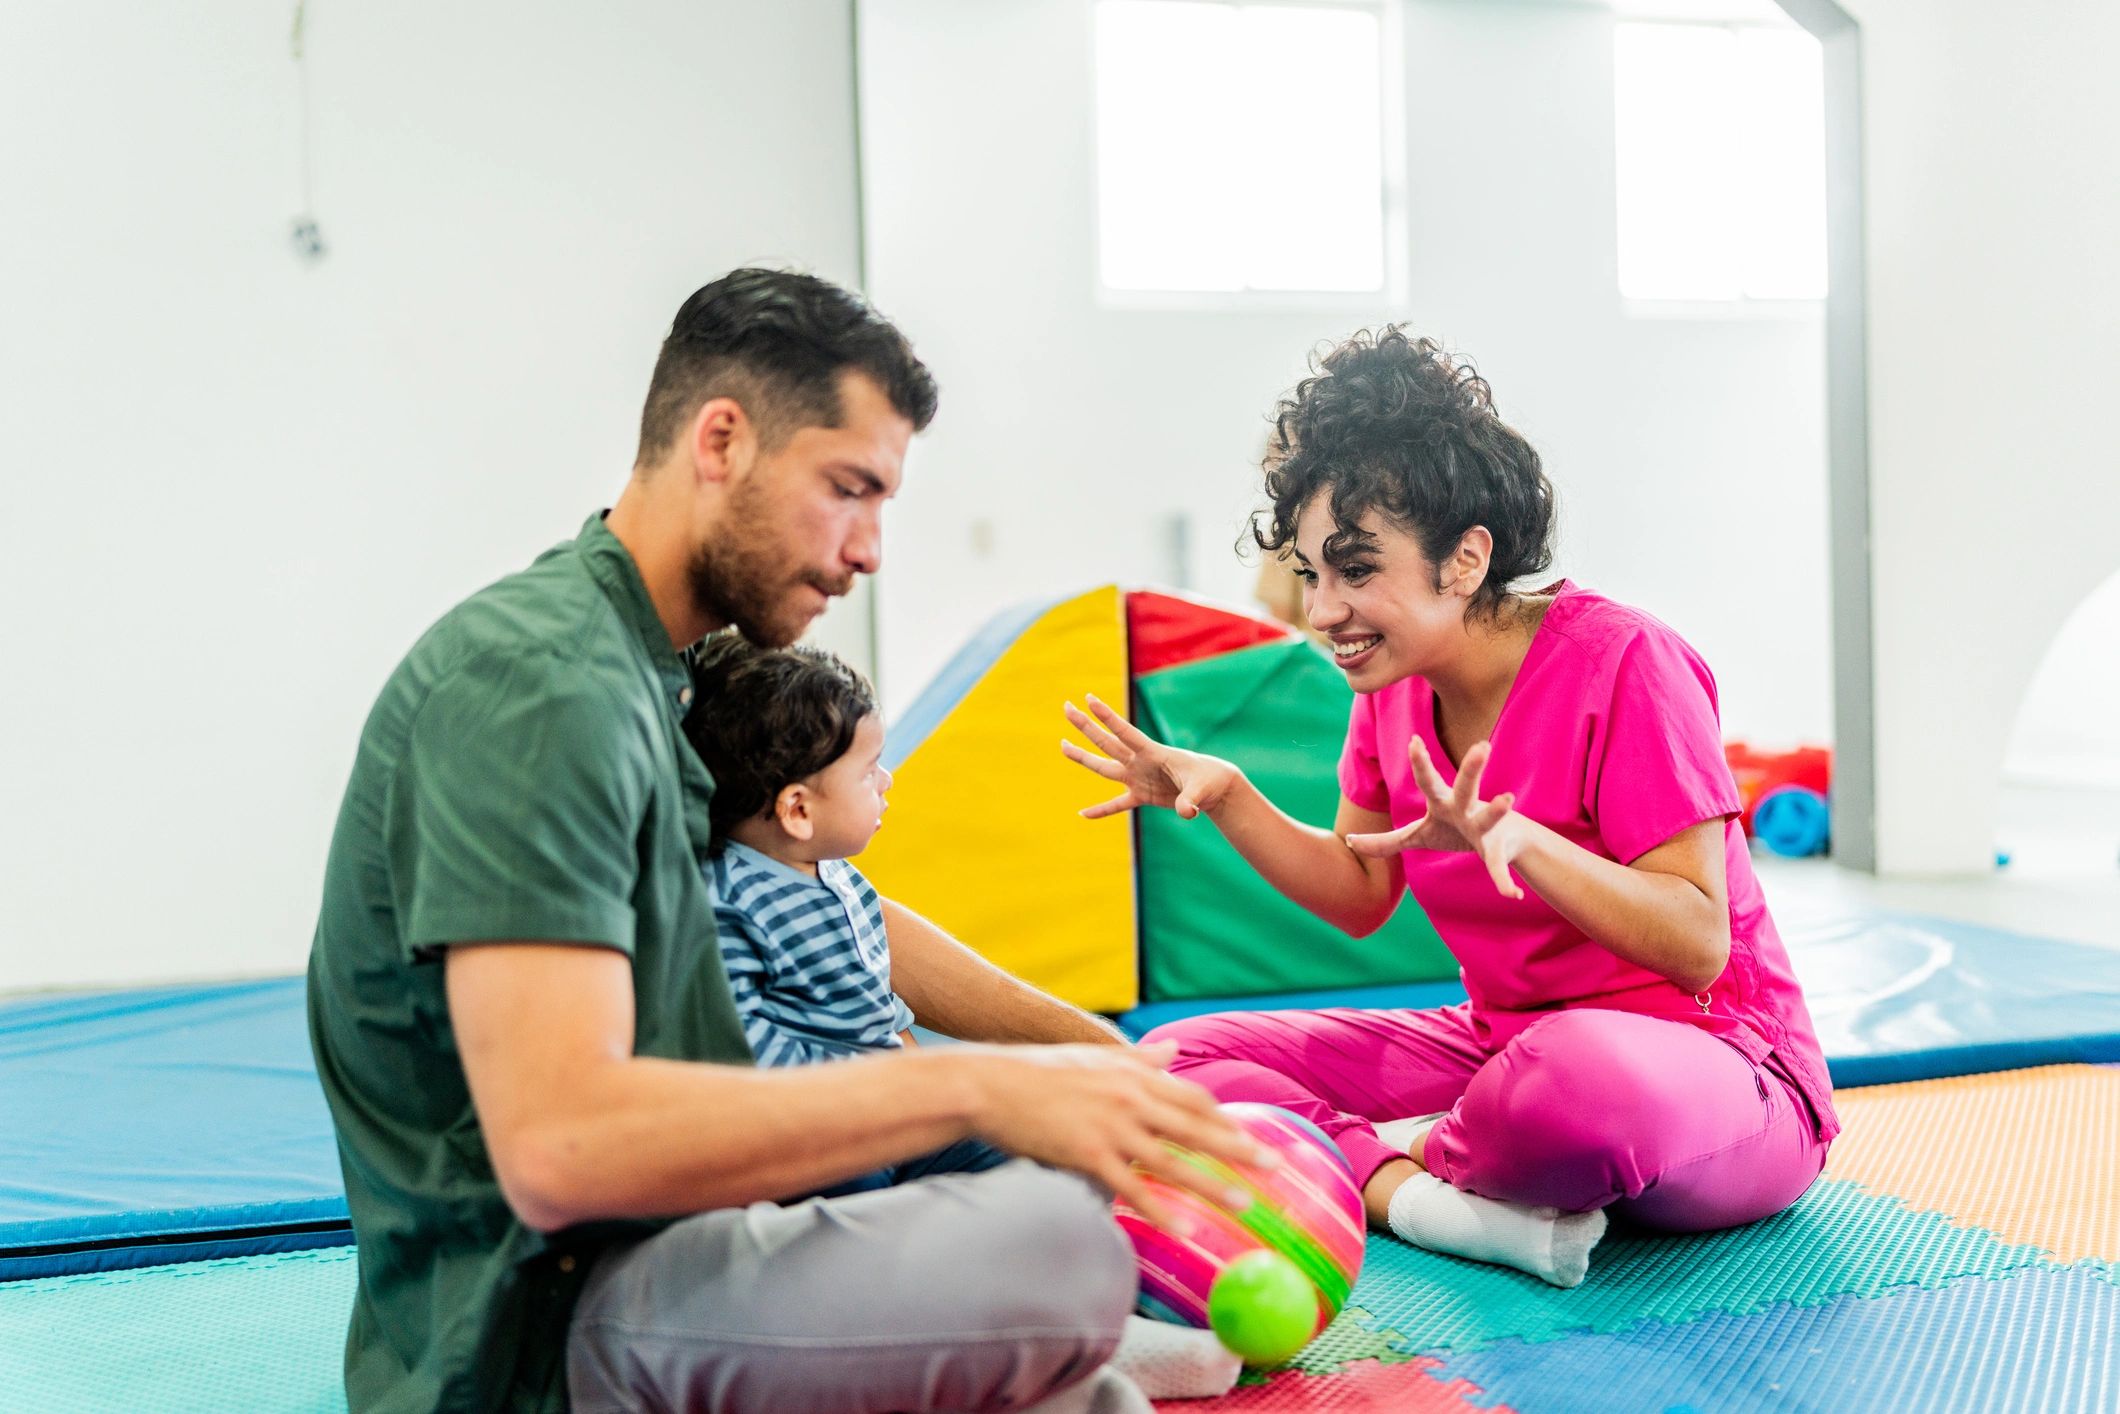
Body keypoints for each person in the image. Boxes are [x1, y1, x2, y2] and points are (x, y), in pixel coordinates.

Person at [308, 268, 1267, 1414]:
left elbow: (849, 906)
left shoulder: (662, 667)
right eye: (848, 488)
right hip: (545, 1328)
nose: (869, 550)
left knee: (1080, 1179)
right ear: (721, 440)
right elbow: (559, 1147)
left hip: (694, 1228)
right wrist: (976, 1086)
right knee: (1057, 1247)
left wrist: (1100, 1060)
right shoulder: (544, 688)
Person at [1061, 327, 1839, 1290]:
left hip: (1718, 1068)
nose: (1322, 611)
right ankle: (1417, 1197)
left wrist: (1526, 841)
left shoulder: (1627, 661)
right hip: (1502, 1049)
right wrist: (1231, 799)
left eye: (1355, 570)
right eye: (1311, 574)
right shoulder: (1389, 686)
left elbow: (1697, 942)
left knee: (1578, 1085)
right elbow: (1359, 892)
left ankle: (1394, 1158)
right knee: (1173, 1059)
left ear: (1465, 559)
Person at [680, 634, 1006, 1195]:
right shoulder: (729, 900)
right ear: (798, 809)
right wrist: (871, 1098)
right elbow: (746, 1049)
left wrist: (914, 1081)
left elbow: (879, 1007)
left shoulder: (839, 875)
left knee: (1018, 1140)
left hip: (896, 1117)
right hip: (825, 1141)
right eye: (868, 771)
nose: (887, 781)